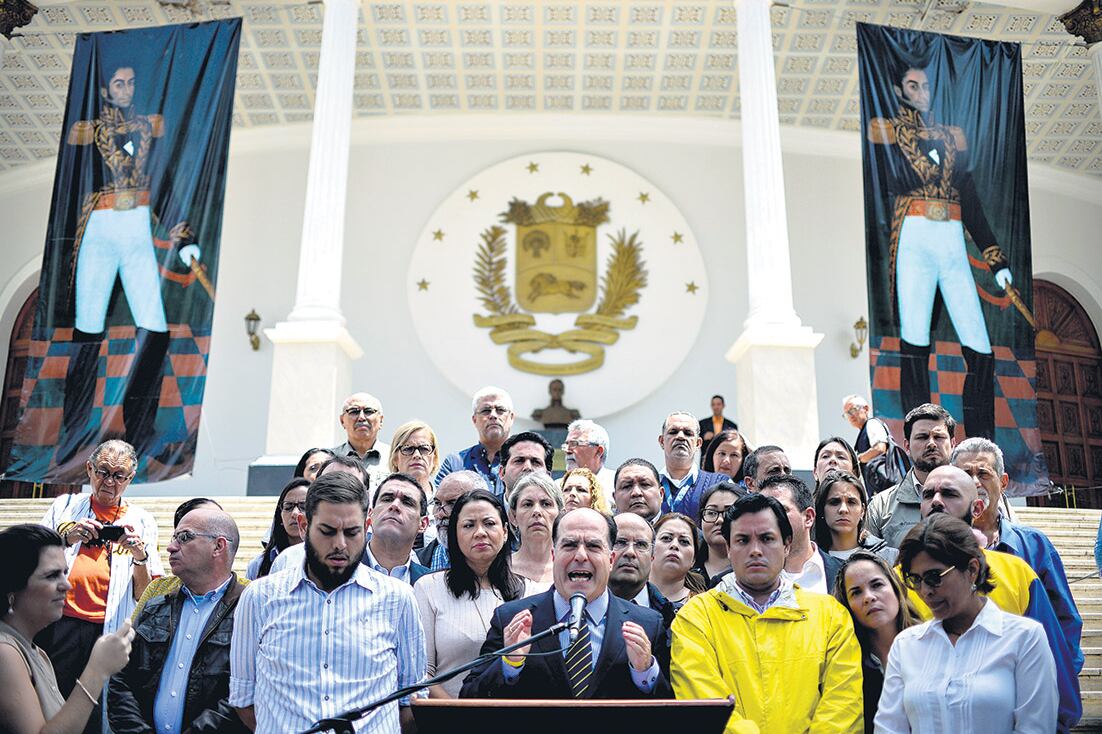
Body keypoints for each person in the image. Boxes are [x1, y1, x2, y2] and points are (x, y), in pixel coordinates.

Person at [56, 64, 196, 467]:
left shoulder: (148, 128)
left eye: (132, 82)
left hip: (136, 224)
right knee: (88, 327)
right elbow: (71, 182)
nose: (126, 88)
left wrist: (181, 235)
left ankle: (140, 433)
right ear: (104, 90)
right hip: (99, 224)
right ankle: (75, 430)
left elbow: (164, 182)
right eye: (119, 82)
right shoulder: (86, 132)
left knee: (154, 327)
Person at [868, 64, 1009, 440]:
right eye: (913, 85)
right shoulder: (887, 133)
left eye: (926, 85)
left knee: (980, 348)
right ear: (900, 90)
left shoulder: (952, 137)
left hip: (951, 237)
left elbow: (970, 199)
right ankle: (922, 436)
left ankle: (980, 440)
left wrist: (995, 257)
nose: (921, 92)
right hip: (914, 235)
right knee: (915, 343)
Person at [229, 472, 427, 734]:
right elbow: (244, 701)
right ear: (303, 526)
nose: (340, 545)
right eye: (327, 531)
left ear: (366, 525)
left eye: (352, 532)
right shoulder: (259, 598)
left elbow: (410, 702)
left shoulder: (398, 599)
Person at [670, 493, 863, 733]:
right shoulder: (695, 618)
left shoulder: (830, 615)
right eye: (742, 540)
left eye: (766, 538)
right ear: (728, 548)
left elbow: (843, 707)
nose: (755, 550)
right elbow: (704, 707)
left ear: (786, 545)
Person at [915, 464, 1082, 732]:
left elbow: (1052, 670)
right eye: (928, 495)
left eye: (949, 494)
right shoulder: (898, 579)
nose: (936, 501)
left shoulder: (1017, 573)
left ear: (977, 509)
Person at [460, 507, 672, 699]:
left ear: (611, 559)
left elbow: (669, 714)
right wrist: (509, 664)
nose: (580, 555)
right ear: (554, 554)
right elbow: (470, 697)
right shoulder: (511, 618)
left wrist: (645, 671)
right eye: (569, 545)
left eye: (593, 546)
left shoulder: (648, 624)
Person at [875, 515, 1058, 733]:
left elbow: (1036, 727)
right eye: (915, 580)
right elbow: (889, 727)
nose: (925, 591)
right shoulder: (906, 646)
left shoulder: (1024, 638)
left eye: (934, 577)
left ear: (972, 569)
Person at [38, 439, 162, 734]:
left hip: (108, 631)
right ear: (89, 469)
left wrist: (139, 556)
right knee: (50, 699)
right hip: (60, 625)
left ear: (130, 479)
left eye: (119, 476)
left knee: (96, 707)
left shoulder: (142, 521)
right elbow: (34, 557)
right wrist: (68, 537)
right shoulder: (65, 507)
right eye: (103, 471)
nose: (110, 482)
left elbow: (144, 594)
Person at [951, 437, 1082, 682]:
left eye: (984, 473)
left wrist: (1058, 680)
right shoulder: (937, 551)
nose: (975, 482)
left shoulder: (1035, 546)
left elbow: (1065, 620)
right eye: (966, 474)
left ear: (1003, 483)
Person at [108, 509, 247, 734]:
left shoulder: (250, 611)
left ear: (218, 546)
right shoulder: (155, 607)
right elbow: (121, 680)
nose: (171, 547)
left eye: (184, 537)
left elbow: (246, 694)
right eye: (173, 538)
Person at [0, 525, 135, 734]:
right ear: (12, 589)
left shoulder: (38, 653)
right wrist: (97, 670)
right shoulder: (5, 652)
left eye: (64, 573)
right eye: (52, 576)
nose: (67, 585)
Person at [413, 489, 527, 698]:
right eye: (468, 525)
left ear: (505, 531)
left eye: (489, 523)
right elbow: (422, 673)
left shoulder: (530, 591)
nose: (480, 532)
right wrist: (459, 715)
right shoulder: (429, 588)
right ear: (455, 535)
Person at [832, 550, 918, 733]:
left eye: (877, 584)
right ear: (847, 606)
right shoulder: (846, 666)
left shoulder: (932, 643)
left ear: (895, 588)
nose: (869, 597)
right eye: (856, 592)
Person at [866, 402, 954, 547]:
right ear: (907, 446)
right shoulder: (881, 506)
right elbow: (869, 562)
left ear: (953, 443)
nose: (931, 443)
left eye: (938, 437)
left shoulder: (972, 497)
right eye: (922, 437)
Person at [132, 498, 223, 619]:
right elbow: (130, 635)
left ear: (220, 545)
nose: (170, 548)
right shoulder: (158, 590)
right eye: (181, 537)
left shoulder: (245, 596)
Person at [757, 474, 844, 594]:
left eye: (780, 510)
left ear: (808, 517)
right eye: (762, 512)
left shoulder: (845, 573)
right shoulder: (734, 581)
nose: (769, 518)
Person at [436, 386, 516, 499]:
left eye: (500, 410)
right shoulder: (455, 463)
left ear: (511, 417)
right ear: (474, 419)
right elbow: (440, 504)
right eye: (486, 410)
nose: (493, 415)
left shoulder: (526, 462)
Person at [813, 470, 898, 565]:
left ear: (863, 510)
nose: (843, 509)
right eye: (834, 502)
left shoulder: (889, 558)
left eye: (851, 502)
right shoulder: (811, 559)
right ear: (822, 509)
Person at [362, 473, 432, 584]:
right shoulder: (341, 567)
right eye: (387, 499)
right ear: (370, 513)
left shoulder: (431, 584)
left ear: (423, 524)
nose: (394, 505)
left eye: (407, 502)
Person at [656, 411, 724, 521]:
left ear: (698, 443)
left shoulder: (719, 484)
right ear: (662, 441)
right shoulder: (648, 487)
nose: (681, 437)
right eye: (673, 432)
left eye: (688, 433)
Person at [417, 471, 488, 572]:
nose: (440, 514)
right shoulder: (415, 563)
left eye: (452, 503)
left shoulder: (508, 565)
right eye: (437, 503)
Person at [246, 477, 308, 580]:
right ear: (280, 516)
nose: (295, 514)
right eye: (288, 507)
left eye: (304, 506)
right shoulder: (258, 564)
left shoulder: (325, 558)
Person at [509, 473, 563, 587]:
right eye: (528, 504)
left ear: (560, 514)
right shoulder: (500, 569)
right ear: (513, 516)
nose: (537, 511)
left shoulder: (570, 569)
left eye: (546, 504)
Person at [650, 513, 708, 613]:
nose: (674, 545)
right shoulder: (627, 594)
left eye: (684, 541)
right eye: (666, 538)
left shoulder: (704, 607)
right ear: (650, 548)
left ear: (693, 559)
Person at [332, 392, 389, 489]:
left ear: (381, 420)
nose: (361, 417)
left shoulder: (395, 457)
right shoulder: (330, 459)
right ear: (342, 421)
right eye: (354, 411)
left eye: (368, 411)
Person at [693, 482, 743, 585]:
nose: (720, 520)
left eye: (729, 512)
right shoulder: (687, 569)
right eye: (711, 513)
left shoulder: (754, 570)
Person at [387, 420, 441, 500]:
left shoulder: (445, 505)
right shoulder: (383, 501)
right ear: (395, 458)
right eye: (408, 449)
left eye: (424, 449)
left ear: (435, 458)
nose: (417, 455)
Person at [563, 419, 615, 496]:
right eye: (566, 444)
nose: (567, 450)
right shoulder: (557, 487)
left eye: (574, 443)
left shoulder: (617, 485)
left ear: (598, 451)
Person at [498, 431, 554, 502]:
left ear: (548, 476)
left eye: (536, 462)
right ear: (502, 472)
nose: (527, 467)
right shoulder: (487, 510)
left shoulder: (557, 511)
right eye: (519, 461)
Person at [612, 458, 663, 524]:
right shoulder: (603, 533)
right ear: (614, 498)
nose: (636, 493)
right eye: (626, 486)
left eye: (645, 484)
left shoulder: (678, 530)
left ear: (661, 494)